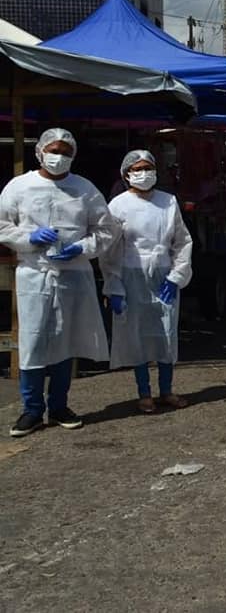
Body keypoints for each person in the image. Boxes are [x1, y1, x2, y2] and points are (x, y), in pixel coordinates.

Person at [0, 128, 117, 437]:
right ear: (39, 151)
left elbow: (106, 229)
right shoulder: (20, 186)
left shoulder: (84, 188)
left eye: (66, 152)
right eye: (54, 150)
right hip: (35, 274)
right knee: (34, 340)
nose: (59, 156)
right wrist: (28, 238)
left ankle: (60, 406)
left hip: (73, 275)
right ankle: (32, 410)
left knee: (67, 340)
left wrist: (83, 248)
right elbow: (2, 226)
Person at [101, 150, 193, 413]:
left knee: (166, 332)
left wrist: (176, 275)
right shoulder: (118, 205)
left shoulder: (168, 202)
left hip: (163, 272)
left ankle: (167, 390)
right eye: (137, 168)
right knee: (136, 333)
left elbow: (182, 241)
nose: (144, 173)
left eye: (148, 167)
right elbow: (110, 249)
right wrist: (114, 285)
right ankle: (144, 392)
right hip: (132, 274)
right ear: (127, 173)